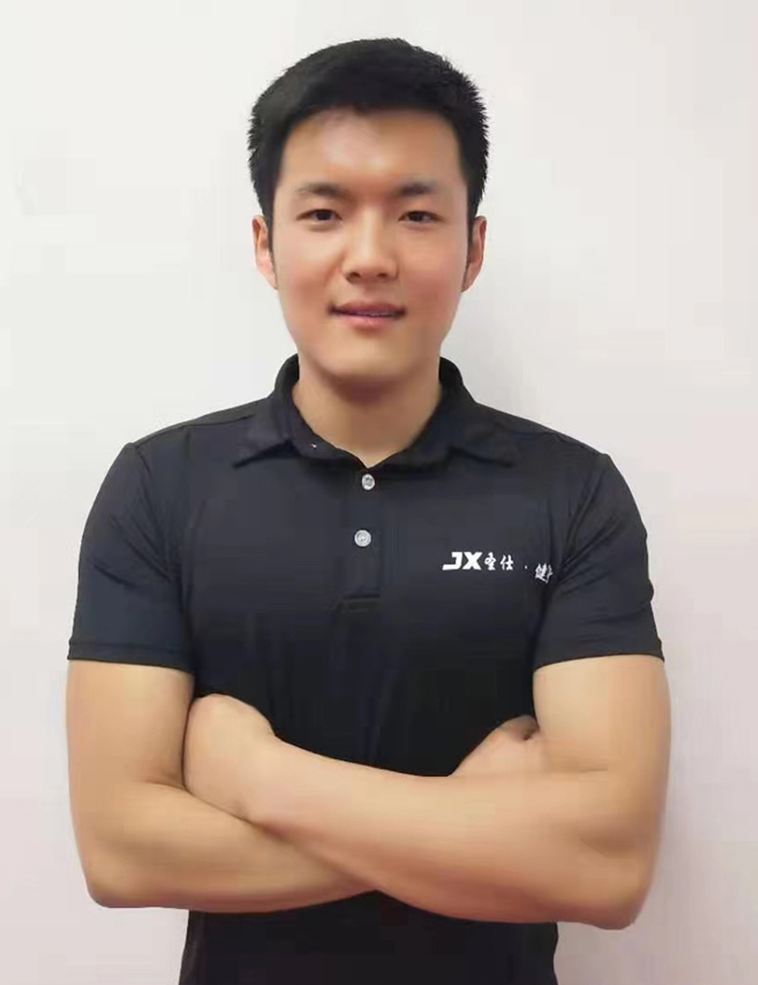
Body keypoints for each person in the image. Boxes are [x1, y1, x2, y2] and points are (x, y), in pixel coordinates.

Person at [65, 37, 671, 985]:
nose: (370, 257)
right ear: (265, 244)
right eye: (324, 212)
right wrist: (473, 822)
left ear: (473, 248)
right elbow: (122, 851)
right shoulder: (160, 486)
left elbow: (608, 867)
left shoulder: (573, 493)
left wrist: (264, 779)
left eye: (417, 214)